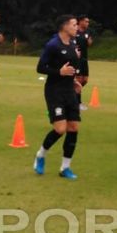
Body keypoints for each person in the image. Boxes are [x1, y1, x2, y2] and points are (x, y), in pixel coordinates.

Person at [34, 15, 83, 180]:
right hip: (54, 91)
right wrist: (59, 72)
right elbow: (40, 68)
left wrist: (74, 80)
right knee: (60, 129)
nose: (77, 27)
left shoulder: (73, 44)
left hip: (69, 91)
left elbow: (71, 67)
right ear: (64, 26)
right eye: (74, 25)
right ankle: (41, 155)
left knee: (73, 128)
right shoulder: (53, 45)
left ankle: (65, 167)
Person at [74, 15, 93, 110]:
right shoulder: (74, 31)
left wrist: (89, 40)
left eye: (88, 22)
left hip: (84, 59)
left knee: (85, 80)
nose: (87, 23)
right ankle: (78, 103)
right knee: (79, 80)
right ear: (80, 21)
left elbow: (89, 43)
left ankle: (72, 93)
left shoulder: (87, 32)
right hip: (77, 59)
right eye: (86, 21)